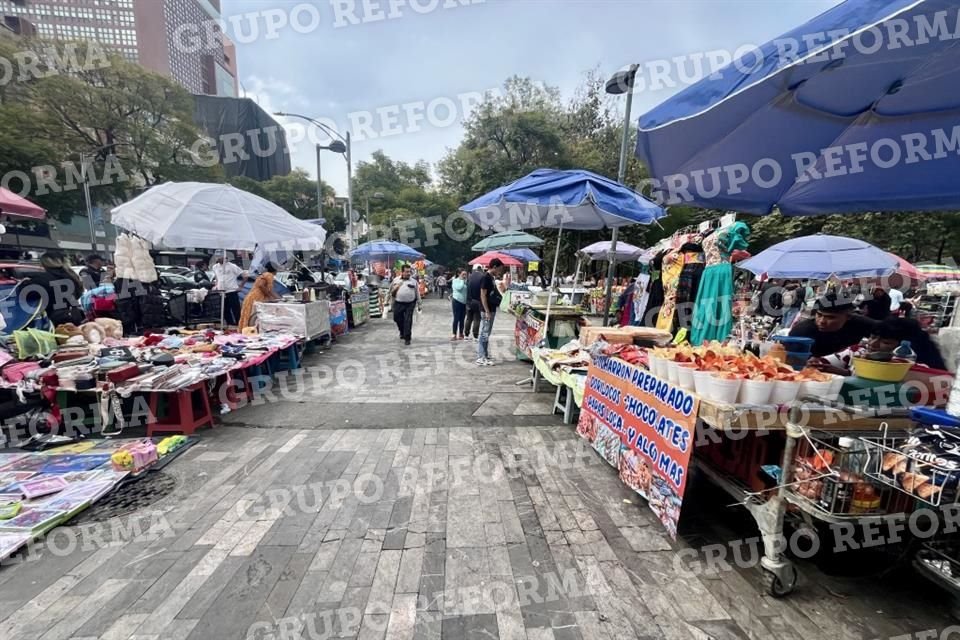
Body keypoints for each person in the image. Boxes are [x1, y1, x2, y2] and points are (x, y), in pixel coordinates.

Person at [790, 292, 879, 360]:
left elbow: (888, 331)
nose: (822, 321)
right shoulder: (802, 332)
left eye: (830, 317)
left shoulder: (861, 323)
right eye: (819, 315)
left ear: (848, 316)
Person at [25, 250, 85, 325]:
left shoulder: (42, 279)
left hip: (53, 321)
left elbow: (26, 295)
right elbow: (79, 293)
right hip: (74, 316)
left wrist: (25, 281)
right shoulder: (72, 276)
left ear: (44, 263)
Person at [475, 258, 505, 366]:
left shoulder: (491, 278)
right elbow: (483, 295)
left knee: (487, 333)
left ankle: (484, 354)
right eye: (500, 269)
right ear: (495, 267)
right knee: (484, 333)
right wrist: (487, 310)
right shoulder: (485, 278)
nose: (500, 272)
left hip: (491, 308)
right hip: (486, 309)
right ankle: (481, 356)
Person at [239, 263, 280, 330]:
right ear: (275, 270)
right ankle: (250, 331)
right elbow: (261, 285)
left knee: (248, 315)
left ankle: (246, 330)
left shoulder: (265, 274)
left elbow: (270, 290)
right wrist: (269, 296)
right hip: (256, 297)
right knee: (253, 316)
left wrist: (278, 298)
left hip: (251, 297)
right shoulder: (269, 275)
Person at [390, 264, 421, 345]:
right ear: (402, 272)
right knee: (396, 318)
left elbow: (417, 293)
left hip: (410, 303)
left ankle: (407, 338)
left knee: (408, 320)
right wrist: (388, 302)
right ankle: (402, 331)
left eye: (409, 272)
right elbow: (390, 291)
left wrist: (419, 303)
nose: (408, 273)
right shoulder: (396, 280)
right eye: (406, 272)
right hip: (398, 302)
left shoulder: (414, 282)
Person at [212, 255, 247, 326]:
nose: (218, 258)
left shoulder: (232, 266)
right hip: (221, 292)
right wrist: (216, 285)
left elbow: (245, 276)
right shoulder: (215, 267)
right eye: (217, 257)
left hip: (232, 291)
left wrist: (241, 286)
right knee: (224, 310)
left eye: (220, 257)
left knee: (236, 310)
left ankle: (239, 324)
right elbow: (217, 277)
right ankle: (230, 324)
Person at [465, 266, 486, 342]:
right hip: (478, 301)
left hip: (469, 301)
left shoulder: (469, 277)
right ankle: (475, 336)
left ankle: (466, 335)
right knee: (477, 319)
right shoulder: (482, 277)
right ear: (480, 269)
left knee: (468, 318)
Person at [451, 269, 468, 341]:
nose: (464, 276)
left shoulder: (466, 282)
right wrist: (462, 280)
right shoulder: (455, 281)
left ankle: (461, 333)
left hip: (464, 302)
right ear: (458, 274)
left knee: (462, 319)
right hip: (456, 301)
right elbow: (459, 288)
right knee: (456, 318)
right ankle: (454, 334)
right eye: (463, 274)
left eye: (465, 274)